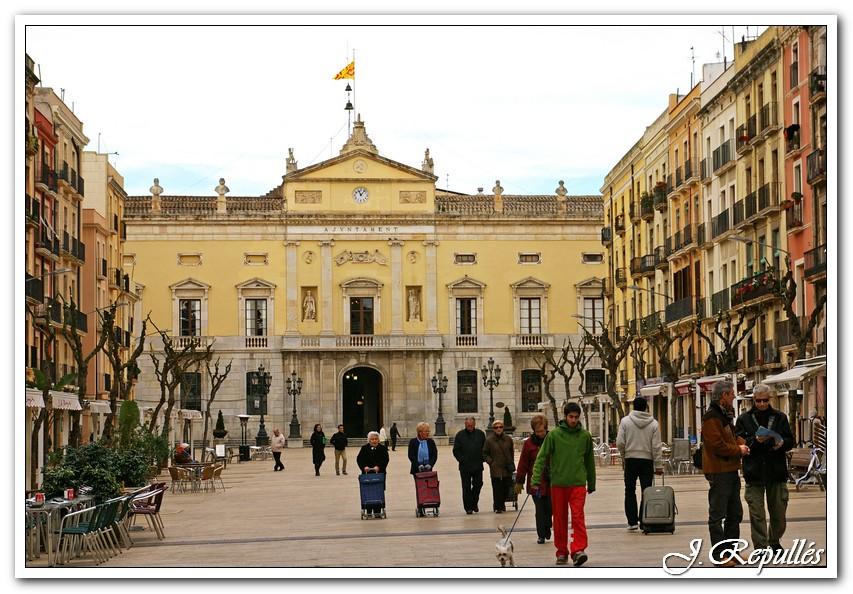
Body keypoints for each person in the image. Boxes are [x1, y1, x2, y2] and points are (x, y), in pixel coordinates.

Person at [532, 402, 596, 567]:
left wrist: (592, 482)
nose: (573, 420)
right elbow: (541, 457)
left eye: (576, 417)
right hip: (558, 484)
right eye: (571, 417)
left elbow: (589, 461)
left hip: (578, 484)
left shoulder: (585, 436)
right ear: (565, 416)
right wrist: (535, 480)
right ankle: (561, 552)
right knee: (559, 519)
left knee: (578, 517)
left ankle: (578, 550)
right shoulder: (554, 436)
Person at [734, 383, 794, 553]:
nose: (761, 404)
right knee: (757, 514)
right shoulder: (744, 419)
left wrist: (782, 443)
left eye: (764, 401)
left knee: (779, 513)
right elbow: (740, 441)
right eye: (758, 401)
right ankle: (761, 547)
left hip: (776, 471)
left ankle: (774, 541)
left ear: (770, 399)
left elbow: (790, 440)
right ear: (753, 399)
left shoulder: (780, 417)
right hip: (754, 472)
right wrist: (754, 440)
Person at [701, 380, 750, 566]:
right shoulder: (711, 417)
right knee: (717, 514)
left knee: (734, 513)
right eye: (731, 395)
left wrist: (744, 443)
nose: (734, 398)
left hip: (730, 469)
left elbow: (729, 436)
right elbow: (717, 445)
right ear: (724, 396)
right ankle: (720, 555)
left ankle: (731, 552)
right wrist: (739, 450)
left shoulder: (724, 415)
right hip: (719, 470)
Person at [615, 396, 662, 530]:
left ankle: (632, 522)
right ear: (646, 407)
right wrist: (658, 465)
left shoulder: (625, 422)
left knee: (629, 490)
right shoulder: (654, 424)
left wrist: (624, 457)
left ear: (633, 407)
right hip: (647, 461)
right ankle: (644, 519)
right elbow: (656, 446)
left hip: (631, 459)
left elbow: (620, 443)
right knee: (646, 491)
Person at [516, 414, 552, 543]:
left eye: (542, 431)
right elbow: (523, 463)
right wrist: (519, 481)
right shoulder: (529, 444)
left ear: (546, 429)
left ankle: (547, 526)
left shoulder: (552, 439)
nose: (540, 434)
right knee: (540, 509)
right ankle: (541, 534)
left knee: (550, 508)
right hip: (535, 483)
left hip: (551, 481)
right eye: (537, 431)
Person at [452, 416, 486, 514]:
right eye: (468, 425)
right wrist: (462, 460)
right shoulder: (460, 435)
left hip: (478, 465)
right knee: (466, 487)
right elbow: (456, 450)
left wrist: (482, 458)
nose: (470, 426)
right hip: (465, 466)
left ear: (474, 424)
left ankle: (474, 503)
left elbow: (484, 448)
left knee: (478, 484)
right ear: (465, 425)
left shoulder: (480, 434)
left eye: (471, 425)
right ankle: (468, 508)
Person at [483, 419, 515, 514]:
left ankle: (502, 503)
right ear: (493, 429)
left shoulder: (508, 439)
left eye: (500, 427)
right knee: (497, 488)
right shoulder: (489, 440)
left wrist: (511, 462)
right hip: (496, 468)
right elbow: (485, 453)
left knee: (507, 487)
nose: (498, 429)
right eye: (496, 427)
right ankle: (498, 506)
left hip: (506, 467)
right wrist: (491, 463)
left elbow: (511, 452)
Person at [357, 431, 390, 517]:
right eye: (372, 439)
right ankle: (368, 510)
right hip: (367, 474)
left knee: (378, 491)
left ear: (378, 440)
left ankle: (378, 511)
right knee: (367, 491)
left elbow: (385, 459)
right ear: (369, 440)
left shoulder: (382, 448)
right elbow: (359, 459)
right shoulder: (364, 448)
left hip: (379, 474)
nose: (374, 441)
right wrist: (364, 467)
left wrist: (379, 467)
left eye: (376, 439)